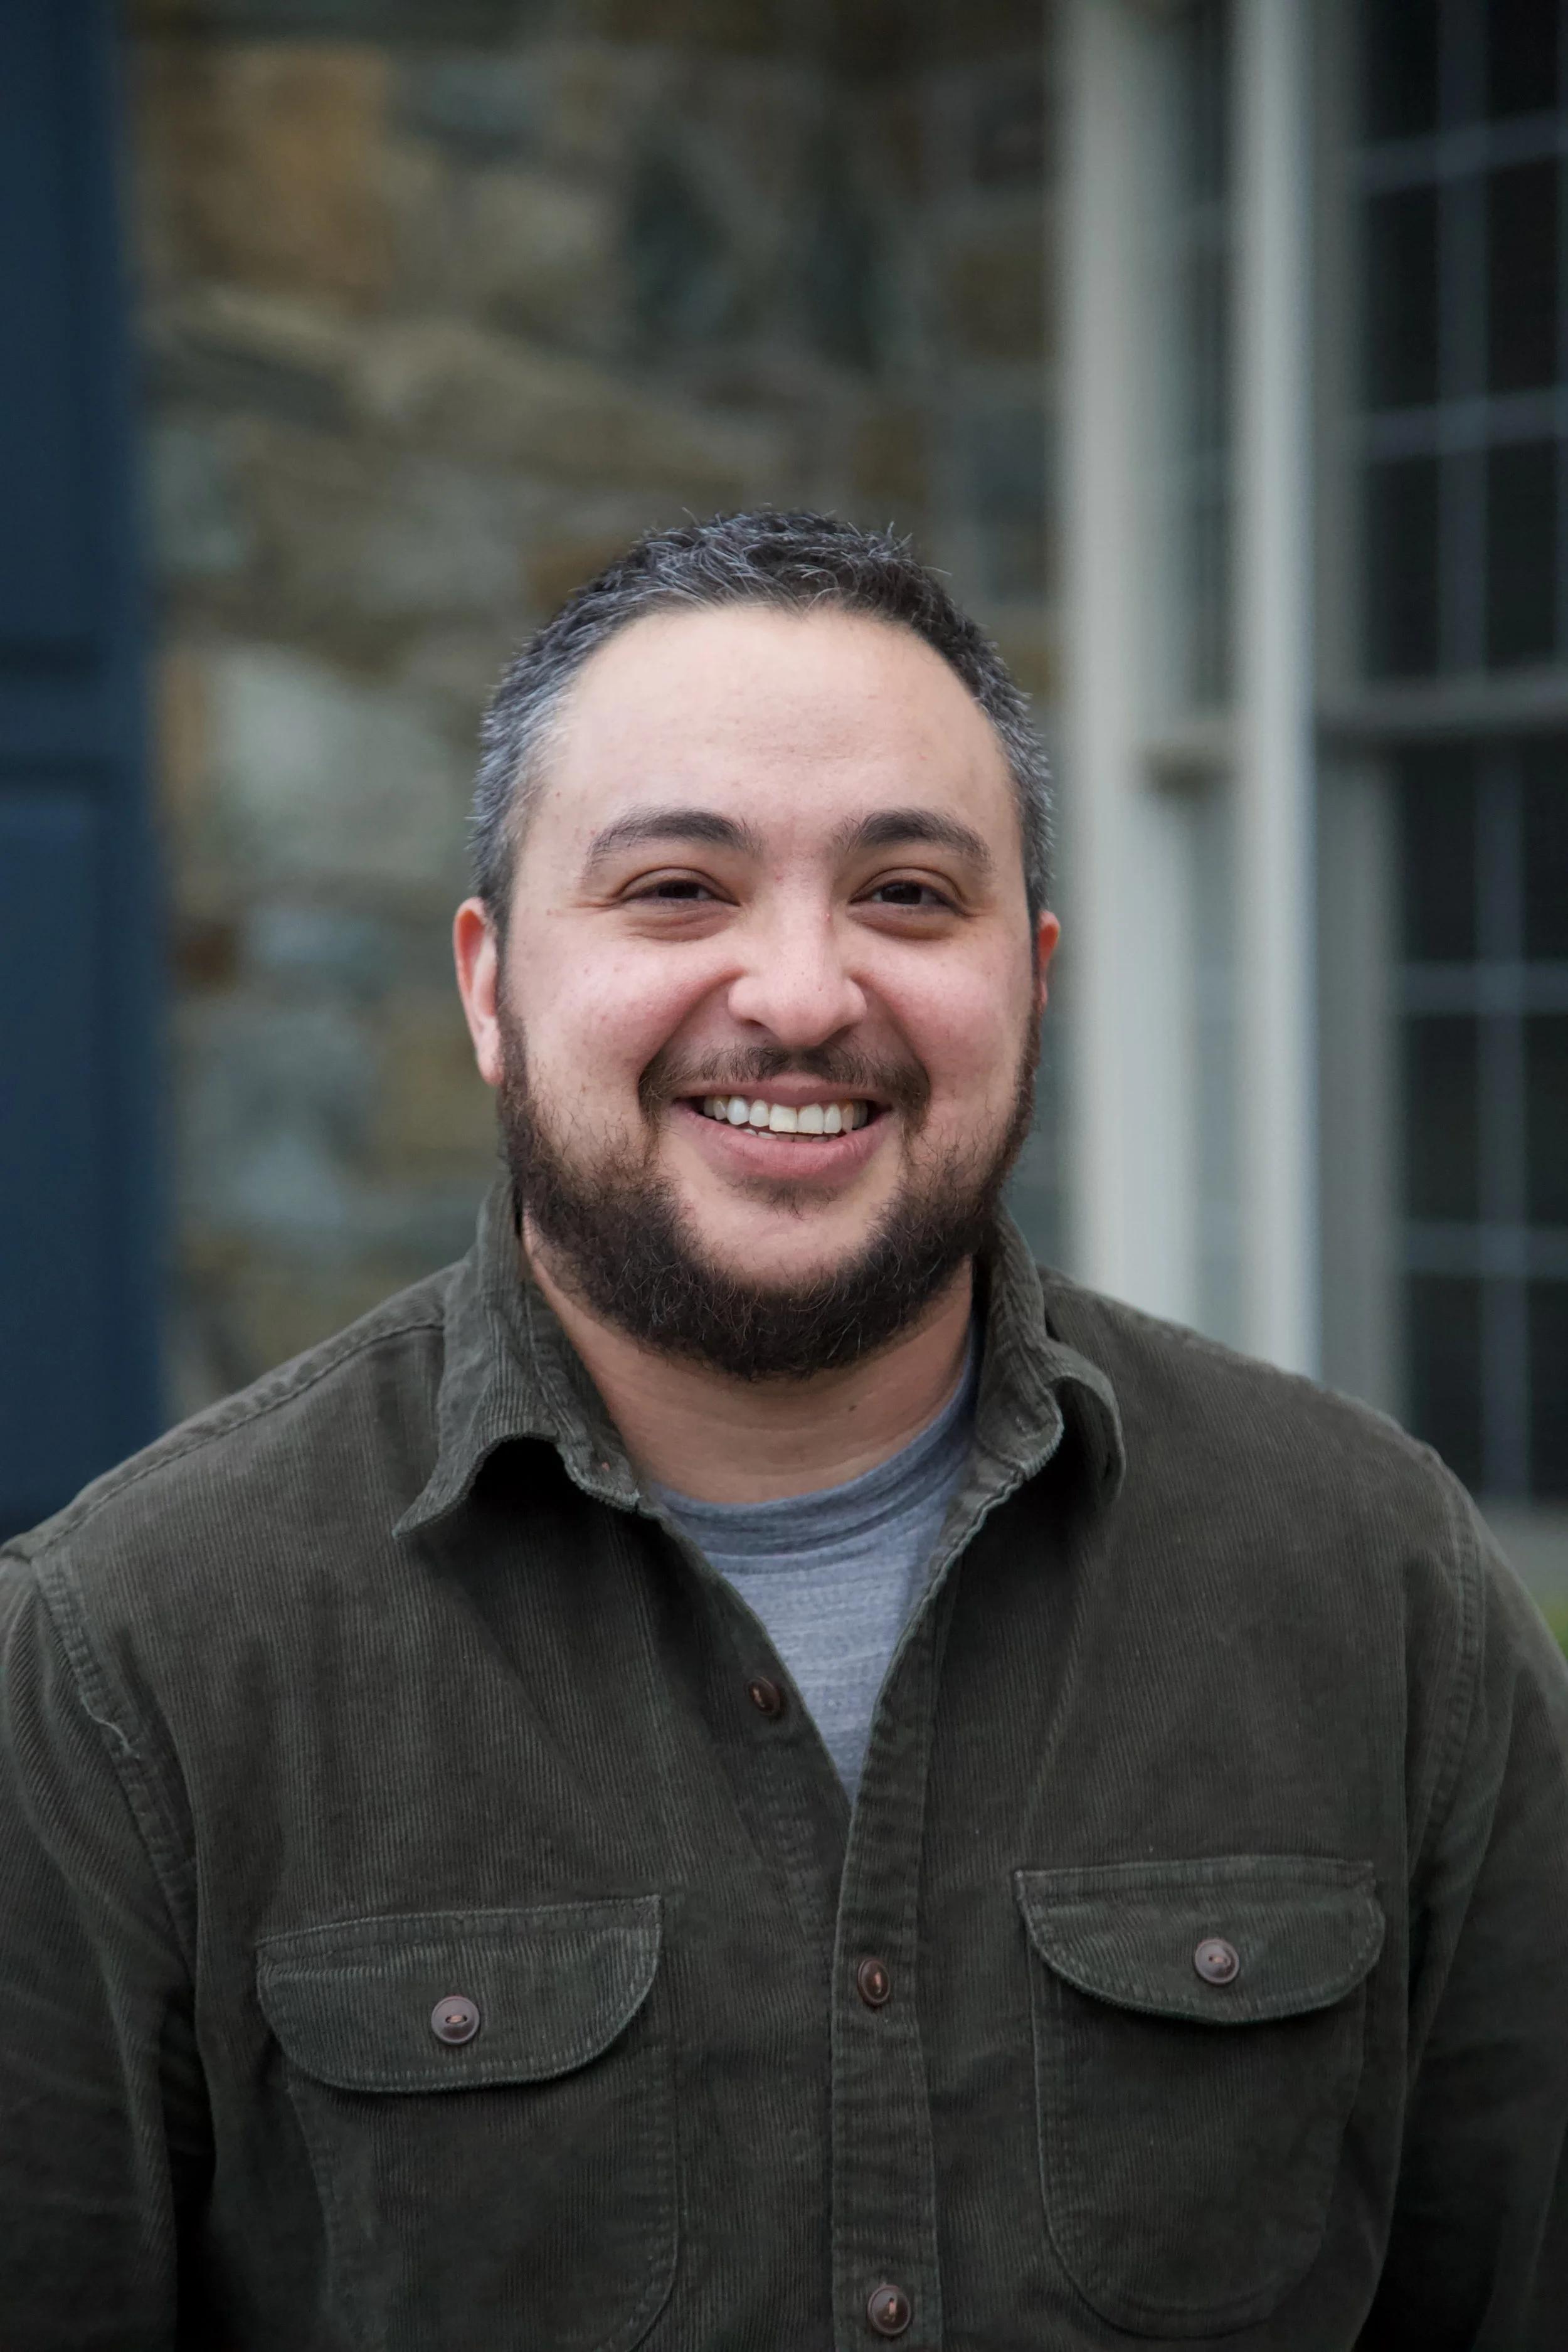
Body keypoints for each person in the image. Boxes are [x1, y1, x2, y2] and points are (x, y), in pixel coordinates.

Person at [2, 512, 1565, 2352]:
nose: (804, 994)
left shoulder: (1372, 1584)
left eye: (908, 892)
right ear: (492, 984)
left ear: (1033, 979)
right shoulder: (131, 1658)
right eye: (677, 888)